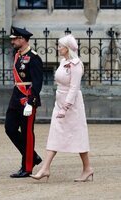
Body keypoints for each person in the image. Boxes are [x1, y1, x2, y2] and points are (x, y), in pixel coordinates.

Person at [30, 34, 94, 182]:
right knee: (55, 133)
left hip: (72, 106)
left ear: (68, 48)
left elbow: (74, 87)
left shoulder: (76, 64)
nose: (58, 48)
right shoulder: (63, 61)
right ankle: (45, 168)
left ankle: (87, 168)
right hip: (59, 103)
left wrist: (65, 107)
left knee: (78, 136)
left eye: (60, 46)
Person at [5, 26, 43, 178]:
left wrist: (31, 101)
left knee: (27, 133)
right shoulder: (18, 55)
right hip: (16, 96)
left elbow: (37, 82)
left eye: (14, 39)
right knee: (10, 128)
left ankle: (27, 166)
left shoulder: (34, 58)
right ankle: (33, 157)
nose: (12, 41)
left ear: (22, 39)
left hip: (27, 98)